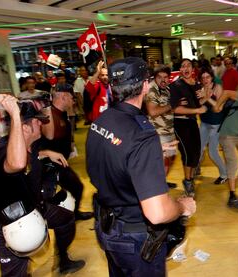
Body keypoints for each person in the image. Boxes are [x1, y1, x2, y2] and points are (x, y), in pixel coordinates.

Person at [86, 57, 196, 276]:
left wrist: (149, 155)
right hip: (134, 239)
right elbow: (156, 213)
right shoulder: (142, 135)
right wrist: (183, 207)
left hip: (107, 227)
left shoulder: (101, 120)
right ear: (145, 85)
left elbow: (108, 158)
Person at [0, 96, 85, 276]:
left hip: (34, 206)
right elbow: (16, 163)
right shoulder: (3, 150)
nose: (41, 124)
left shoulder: (32, 146)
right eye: (37, 122)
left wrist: (45, 153)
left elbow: (28, 156)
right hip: (10, 219)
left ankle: (63, 260)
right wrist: (16, 114)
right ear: (24, 127)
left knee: (66, 219)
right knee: (15, 270)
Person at [41, 84, 93, 220]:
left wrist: (71, 145)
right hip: (49, 164)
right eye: (71, 97)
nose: (73, 100)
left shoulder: (62, 113)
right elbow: (50, 136)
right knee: (75, 187)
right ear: (63, 96)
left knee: (76, 188)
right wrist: (47, 107)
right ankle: (67, 216)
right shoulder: (48, 112)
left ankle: (72, 214)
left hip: (60, 161)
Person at [169, 59, 207, 196]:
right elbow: (175, 109)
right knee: (187, 153)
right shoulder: (176, 85)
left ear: (192, 69)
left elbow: (199, 104)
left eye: (188, 66)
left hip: (192, 122)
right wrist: (196, 111)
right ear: (180, 69)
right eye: (183, 66)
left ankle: (189, 178)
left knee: (195, 153)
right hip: (180, 123)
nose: (186, 68)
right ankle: (188, 180)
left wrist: (204, 96)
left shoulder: (196, 84)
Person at [144, 65, 178, 188]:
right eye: (160, 77)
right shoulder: (152, 90)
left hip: (169, 130)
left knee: (172, 157)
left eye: (166, 77)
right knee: (161, 161)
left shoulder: (166, 88)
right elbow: (152, 112)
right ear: (155, 77)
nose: (163, 80)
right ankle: (157, 186)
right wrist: (171, 106)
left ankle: (162, 181)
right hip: (158, 132)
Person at [196, 67, 228, 184]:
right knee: (198, 149)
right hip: (204, 122)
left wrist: (207, 97)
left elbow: (218, 108)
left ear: (212, 77)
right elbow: (198, 104)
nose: (205, 80)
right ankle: (196, 170)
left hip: (216, 123)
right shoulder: (200, 88)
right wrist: (205, 97)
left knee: (212, 152)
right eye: (203, 77)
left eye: (207, 77)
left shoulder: (217, 87)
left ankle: (224, 174)